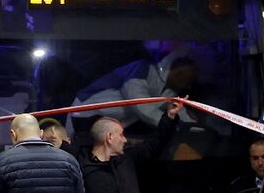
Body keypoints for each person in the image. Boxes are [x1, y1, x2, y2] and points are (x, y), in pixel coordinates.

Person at [68, 52, 197, 133]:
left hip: (108, 126)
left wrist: (196, 129)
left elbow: (180, 112)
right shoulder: (142, 69)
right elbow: (141, 106)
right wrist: (172, 125)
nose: (189, 85)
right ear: (177, 72)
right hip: (83, 114)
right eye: (188, 78)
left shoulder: (169, 92)